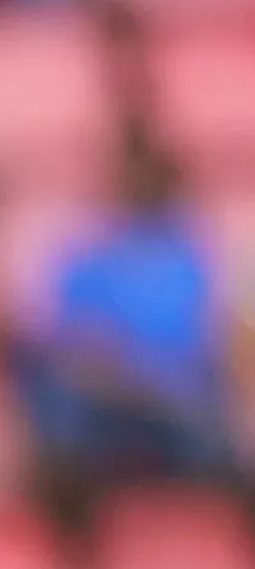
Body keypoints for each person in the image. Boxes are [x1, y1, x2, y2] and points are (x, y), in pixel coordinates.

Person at [20, 135, 238, 499]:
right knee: (60, 407)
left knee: (219, 435)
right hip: (104, 399)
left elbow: (209, 345)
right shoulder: (86, 254)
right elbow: (64, 340)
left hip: (175, 403)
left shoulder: (194, 258)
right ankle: (70, 540)